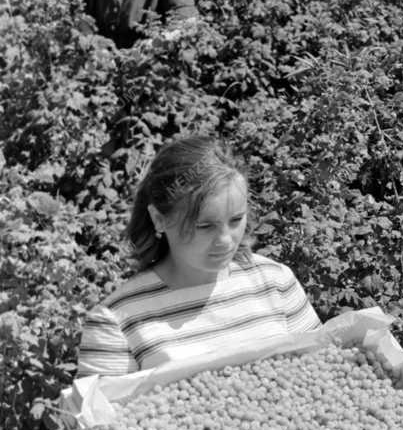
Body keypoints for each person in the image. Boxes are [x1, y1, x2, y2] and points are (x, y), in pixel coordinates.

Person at [77, 135, 321, 400]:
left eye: (236, 219)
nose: (226, 240)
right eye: (205, 226)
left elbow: (325, 373)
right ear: (159, 219)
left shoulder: (275, 282)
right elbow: (97, 428)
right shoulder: (117, 321)